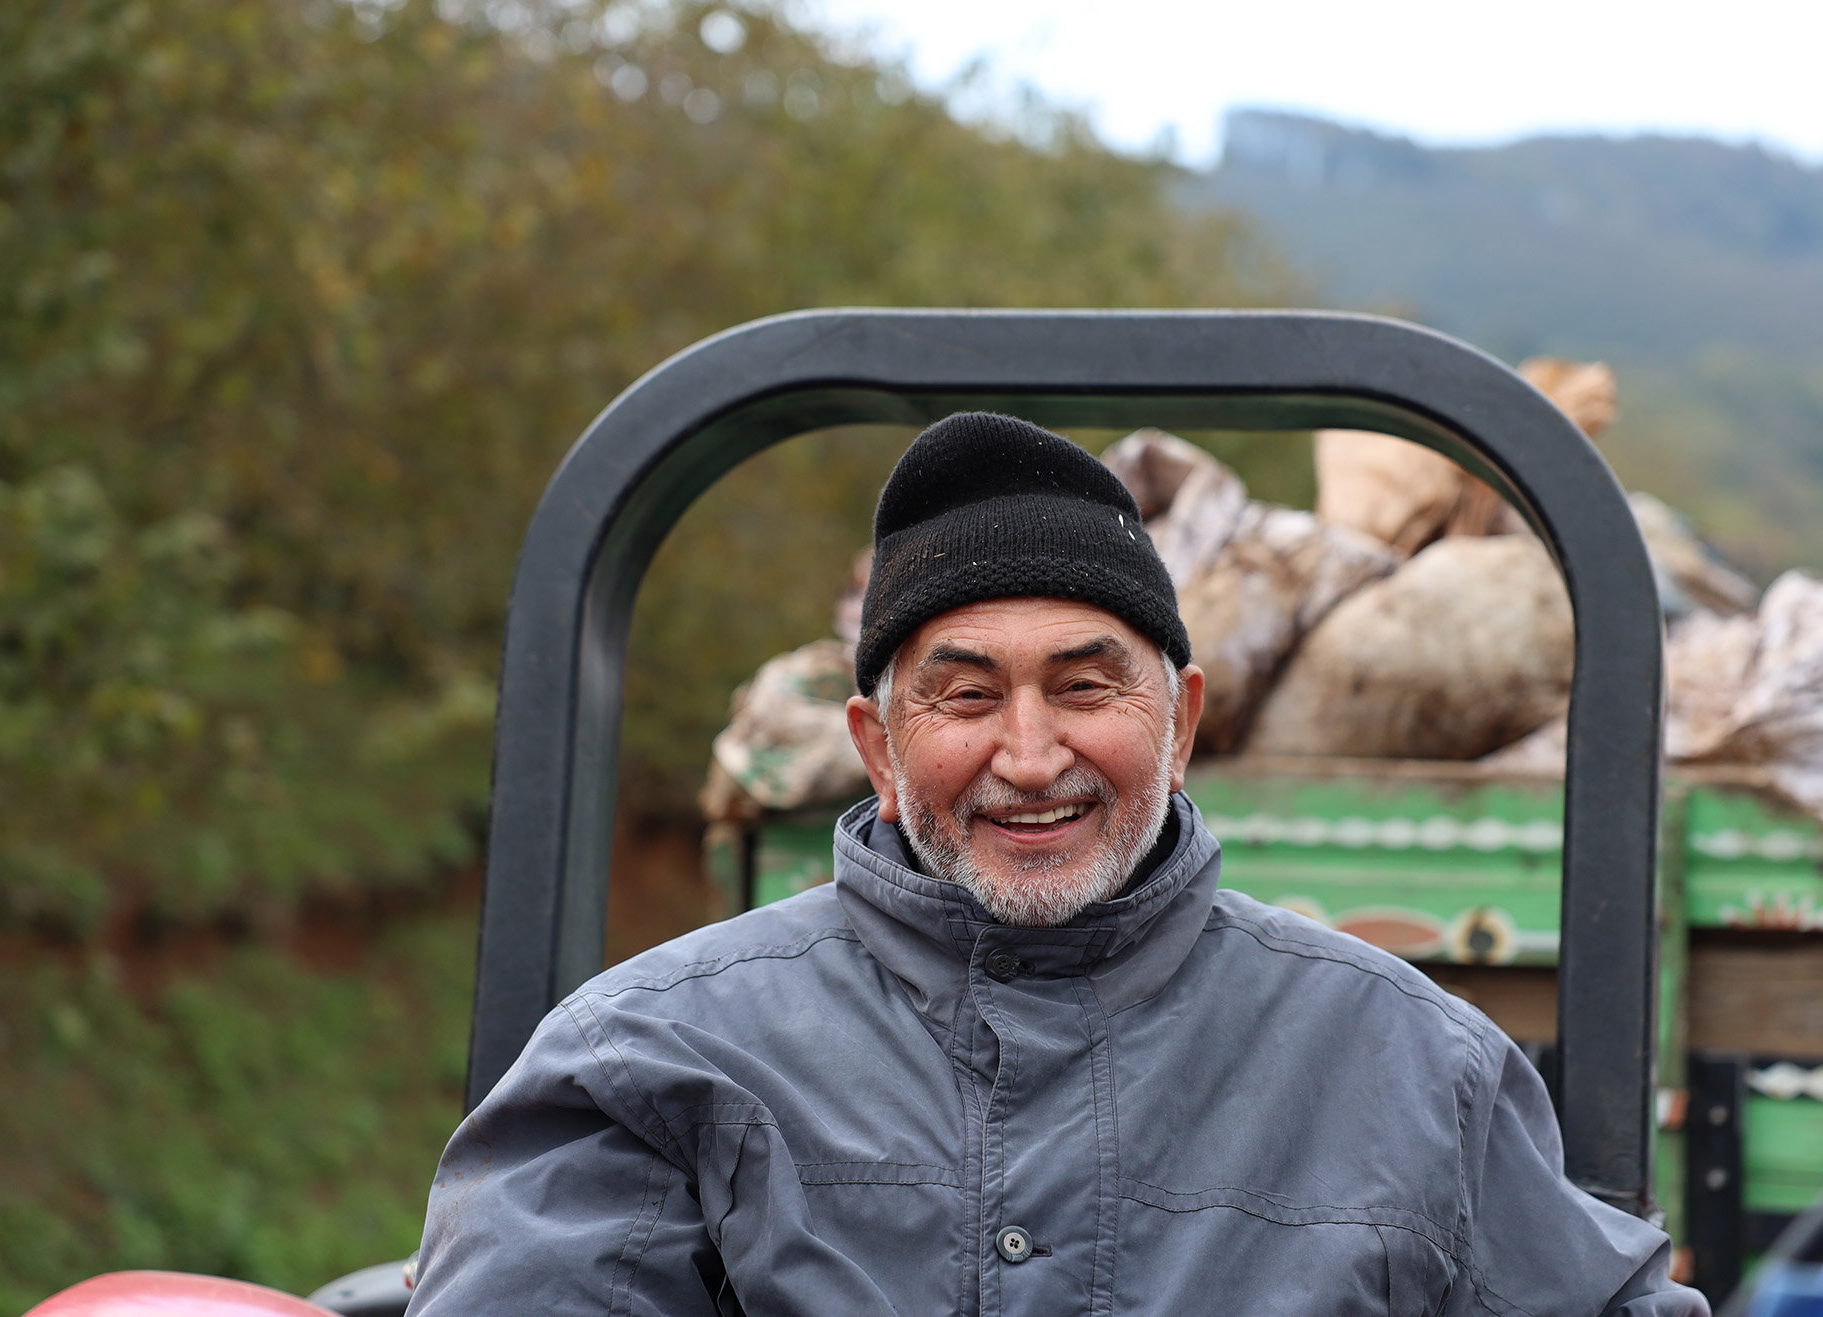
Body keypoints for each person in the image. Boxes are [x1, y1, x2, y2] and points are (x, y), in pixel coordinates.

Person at [405, 412, 1708, 1315]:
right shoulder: (647, 1060)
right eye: (966, 695)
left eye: (1086, 687)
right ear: (877, 746)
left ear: (1181, 725)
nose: (1030, 758)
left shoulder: (1415, 1066)